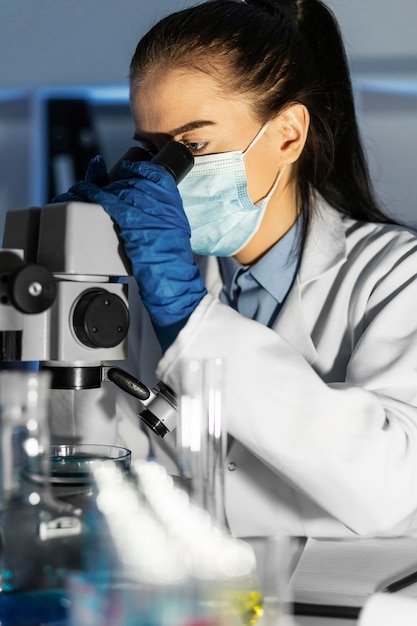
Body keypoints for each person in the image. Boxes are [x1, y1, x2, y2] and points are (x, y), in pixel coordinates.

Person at [55, 0, 417, 539]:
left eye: (192, 146)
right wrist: (71, 293)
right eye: (149, 151)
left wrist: (188, 317)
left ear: (288, 134)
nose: (165, 178)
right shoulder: (147, 282)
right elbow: (93, 468)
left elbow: (393, 485)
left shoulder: (395, 276)